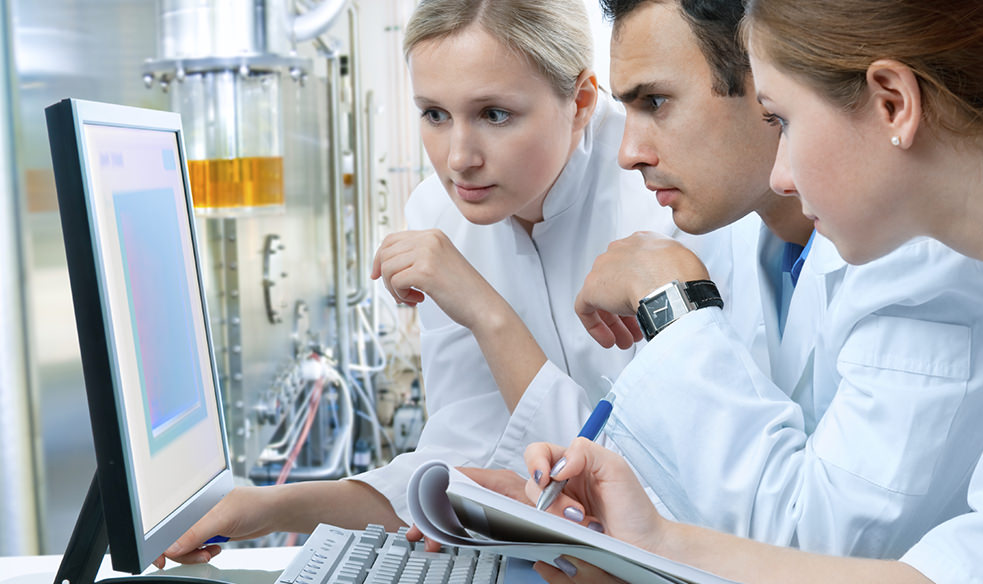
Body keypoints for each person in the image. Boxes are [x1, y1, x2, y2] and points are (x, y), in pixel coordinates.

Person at [524, 0, 983, 582]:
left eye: (781, 119)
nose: (782, 176)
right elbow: (963, 566)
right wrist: (654, 544)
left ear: (893, 104)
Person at [155, 0, 694, 565]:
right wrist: (267, 508)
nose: (459, 158)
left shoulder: (660, 203)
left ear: (582, 101)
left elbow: (624, 502)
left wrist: (487, 313)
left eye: (495, 114)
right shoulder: (440, 213)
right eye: (434, 114)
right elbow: (457, 468)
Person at [565, 0, 983, 561]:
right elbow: (692, 488)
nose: (628, 153)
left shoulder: (925, 249)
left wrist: (676, 310)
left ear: (768, 73)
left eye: (656, 102)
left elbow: (818, 548)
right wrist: (568, 508)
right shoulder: (723, 230)